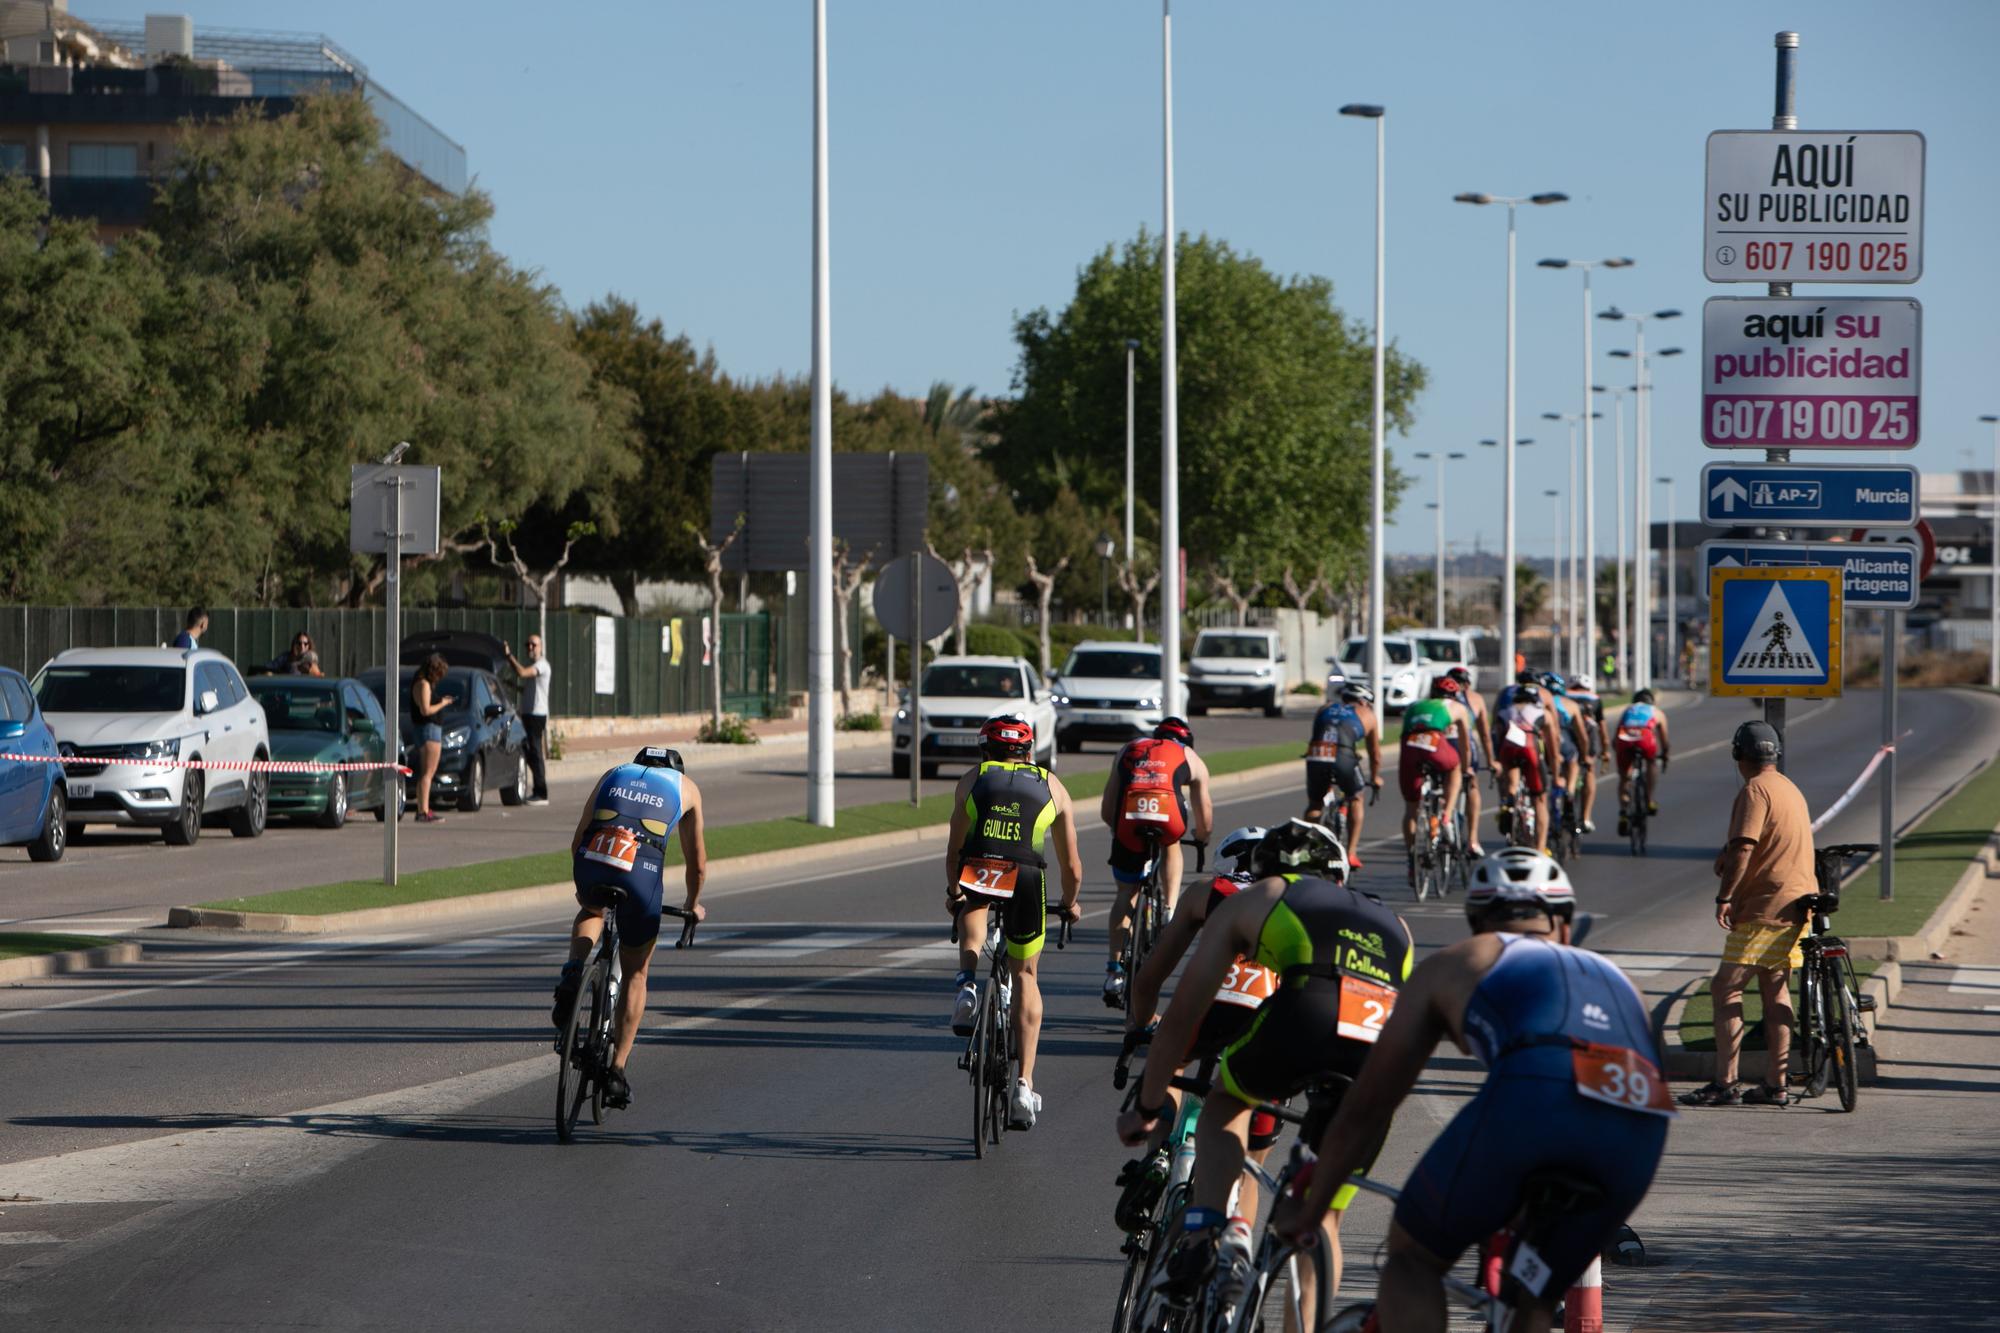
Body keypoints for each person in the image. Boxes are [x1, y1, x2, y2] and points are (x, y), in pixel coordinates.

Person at [1273, 849, 1671, 1333]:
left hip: (1535, 1093)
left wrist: (1312, 1210)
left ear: (1478, 921)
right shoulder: (1626, 984)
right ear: (1563, 926)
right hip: (1638, 1132)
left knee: (1413, 1260)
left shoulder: (1463, 959)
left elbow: (1370, 1102)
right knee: (1535, 1297)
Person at [1117, 819, 1414, 1315]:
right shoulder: (1391, 921)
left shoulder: (1260, 894)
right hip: (1377, 1054)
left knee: (1227, 1100)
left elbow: (1184, 1011)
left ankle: (1214, 1231)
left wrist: (1148, 1105)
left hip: (1305, 1015)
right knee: (1323, 1222)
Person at [1111, 824, 1277, 1232]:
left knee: (1174, 1057)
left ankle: (1162, 1150)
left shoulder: (1210, 890)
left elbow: (1148, 979)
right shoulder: (1291, 902)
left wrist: (1143, 1025)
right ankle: (1234, 1253)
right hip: (1267, 1018)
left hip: (1211, 1005)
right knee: (1250, 1164)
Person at [946, 714, 1084, 1130]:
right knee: (1025, 973)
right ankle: (1024, 1084)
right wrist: (1070, 903)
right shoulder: (1053, 787)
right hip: (1027, 873)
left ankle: (967, 985)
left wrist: (954, 892)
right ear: (1029, 751)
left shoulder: (973, 778)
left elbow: (954, 849)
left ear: (985, 749)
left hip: (980, 866)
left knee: (971, 899)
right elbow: (1072, 866)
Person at [552, 746, 706, 1110]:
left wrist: (585, 887)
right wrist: (691, 906)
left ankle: (574, 971)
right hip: (641, 871)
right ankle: (617, 1070)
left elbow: (577, 840)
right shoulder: (686, 787)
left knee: (591, 907)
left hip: (593, 858)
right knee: (637, 972)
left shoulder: (613, 772)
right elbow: (696, 865)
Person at [1680, 721, 1816, 1108]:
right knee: (1775, 990)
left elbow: (1744, 848)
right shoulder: (1789, 788)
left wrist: (1725, 896)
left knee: (1725, 987)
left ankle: (1725, 1083)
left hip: (1764, 909)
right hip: (1797, 905)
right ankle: (1776, 1083)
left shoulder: (1754, 791)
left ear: (1739, 755)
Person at [1101, 717, 1213, 1008]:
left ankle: (1114, 971)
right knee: (1172, 841)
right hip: (1169, 815)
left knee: (1126, 894)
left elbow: (1106, 809)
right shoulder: (1190, 756)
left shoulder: (1129, 748)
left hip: (1129, 815)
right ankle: (1170, 909)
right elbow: (1204, 811)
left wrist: (1119, 830)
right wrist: (1202, 838)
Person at [1304, 680, 1382, 869]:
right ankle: (1351, 853)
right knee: (1356, 798)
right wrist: (1375, 777)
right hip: (1343, 755)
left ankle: (1306, 849)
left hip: (1317, 752)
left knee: (1315, 803)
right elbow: (1375, 754)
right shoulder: (1368, 714)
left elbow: (1318, 733)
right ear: (1364, 701)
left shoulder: (1325, 708)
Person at [1399, 681, 1471, 884]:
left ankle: (1412, 858)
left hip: (1409, 745)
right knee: (1455, 768)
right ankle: (1446, 816)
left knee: (1411, 809)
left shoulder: (1415, 705)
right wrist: (1467, 768)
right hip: (1434, 741)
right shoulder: (1457, 707)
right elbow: (1465, 743)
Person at [1492, 672, 1562, 855]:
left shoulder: (1505, 711)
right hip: (1530, 748)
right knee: (1540, 799)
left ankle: (1509, 801)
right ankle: (1539, 849)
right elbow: (1553, 747)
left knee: (1513, 782)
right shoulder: (1542, 712)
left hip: (1508, 748)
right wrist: (1556, 776)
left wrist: (1498, 762)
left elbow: (1497, 736)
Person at [1612, 688, 1672, 836]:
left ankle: (1624, 812)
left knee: (1624, 778)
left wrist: (1621, 759)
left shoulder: (1628, 709)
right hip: (1645, 738)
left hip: (1624, 737)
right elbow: (1664, 741)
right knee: (1651, 762)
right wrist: (1664, 755)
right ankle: (1650, 800)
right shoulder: (1656, 712)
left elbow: (1614, 739)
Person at [1445, 667, 1491, 857]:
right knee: (1472, 786)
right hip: (1465, 747)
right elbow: (1485, 734)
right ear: (1467, 685)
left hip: (1442, 746)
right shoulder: (1475, 699)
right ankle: (1472, 839)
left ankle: (1441, 814)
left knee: (1444, 783)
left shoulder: (1440, 699)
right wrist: (1492, 761)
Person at [503, 635, 553, 805]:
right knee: (529, 752)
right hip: (528, 714)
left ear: (541, 647)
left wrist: (509, 656)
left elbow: (522, 673)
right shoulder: (535, 666)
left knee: (536, 752)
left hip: (536, 715)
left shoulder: (542, 665)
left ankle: (541, 792)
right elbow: (529, 688)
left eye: (534, 644)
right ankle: (537, 790)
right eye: (528, 644)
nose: (530, 648)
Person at [1540, 673, 1589, 840]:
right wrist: (1585, 755)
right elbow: (1582, 736)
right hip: (1562, 742)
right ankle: (1569, 791)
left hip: (1543, 744)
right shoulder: (1570, 704)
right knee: (1573, 760)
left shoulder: (1539, 702)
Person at [410, 654, 455, 823]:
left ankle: (423, 808)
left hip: (428, 729)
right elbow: (426, 710)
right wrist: (443, 703)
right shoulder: (423, 684)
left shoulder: (422, 682)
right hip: (429, 730)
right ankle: (423, 810)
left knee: (427, 772)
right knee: (428, 772)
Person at [1565, 674, 1608, 835]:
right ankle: (1586, 817)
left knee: (1566, 767)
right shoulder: (1594, 698)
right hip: (1588, 734)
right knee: (1589, 769)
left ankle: (1565, 794)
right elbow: (1602, 727)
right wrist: (1605, 750)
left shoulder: (1564, 696)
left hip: (1567, 734)